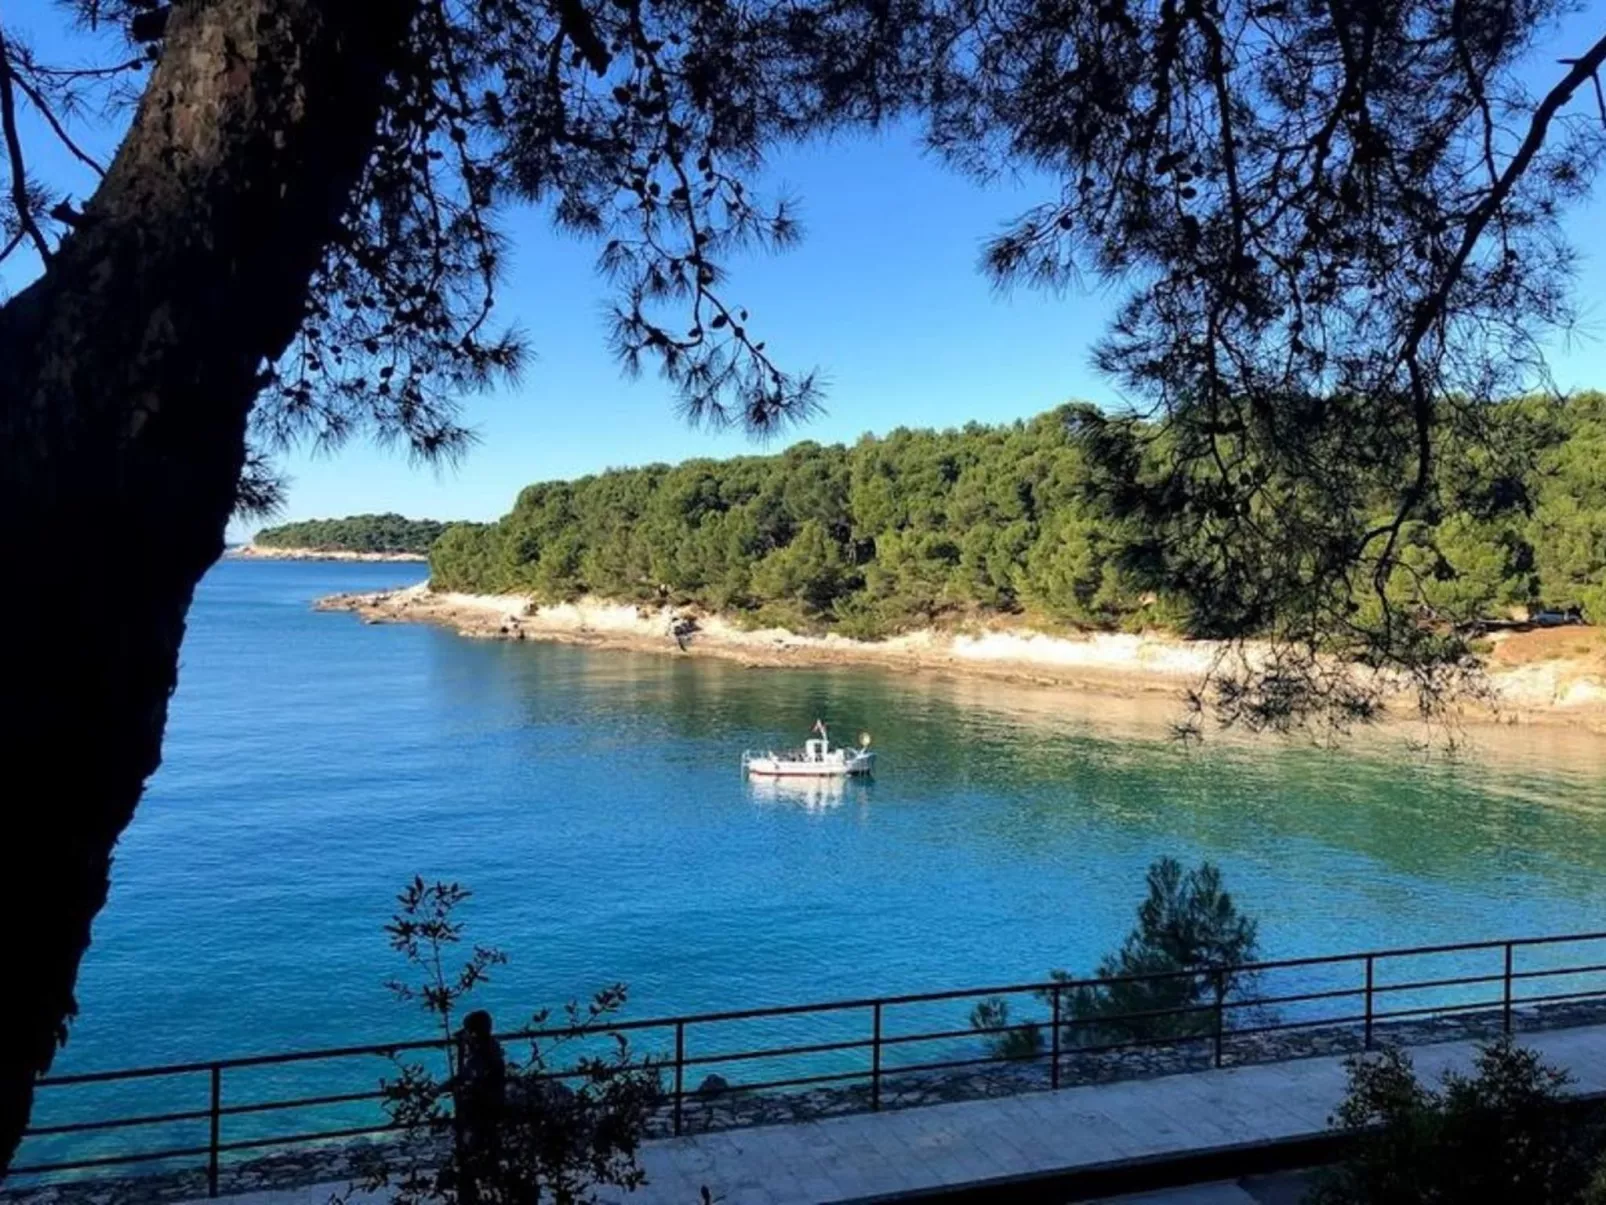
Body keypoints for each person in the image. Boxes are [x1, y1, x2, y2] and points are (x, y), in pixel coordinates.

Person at [451, 1009, 507, 1203]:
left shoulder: (479, 1056)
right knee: (490, 1147)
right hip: (497, 1103)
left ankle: (478, 1189)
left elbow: (464, 1076)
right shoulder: (493, 1046)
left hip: (482, 1107)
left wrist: (437, 1090)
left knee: (476, 1149)